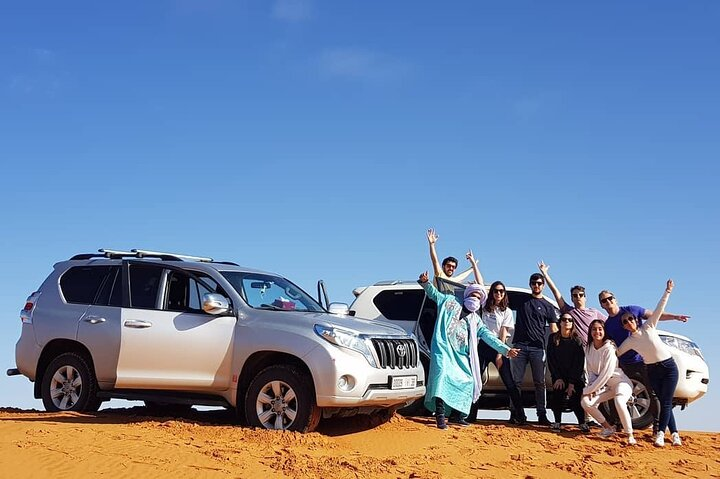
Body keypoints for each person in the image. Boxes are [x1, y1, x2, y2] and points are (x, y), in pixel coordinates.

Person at [418, 268, 520, 429]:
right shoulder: (449, 301)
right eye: (473, 295)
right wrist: (425, 283)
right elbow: (434, 295)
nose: (475, 298)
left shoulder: (475, 319)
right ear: (467, 295)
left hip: (460, 354)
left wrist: (505, 349)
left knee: (468, 380)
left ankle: (457, 415)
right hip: (443, 348)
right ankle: (440, 415)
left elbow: (489, 337)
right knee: (442, 376)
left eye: (479, 297)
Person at [599, 289, 689, 433]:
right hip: (624, 364)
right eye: (604, 301)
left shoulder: (632, 310)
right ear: (601, 305)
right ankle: (617, 424)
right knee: (615, 390)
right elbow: (612, 346)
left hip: (643, 362)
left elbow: (655, 315)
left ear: (615, 299)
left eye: (610, 298)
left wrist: (675, 317)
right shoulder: (608, 324)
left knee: (652, 394)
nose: (608, 302)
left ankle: (658, 427)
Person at [617, 279, 684, 447]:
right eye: (625, 321)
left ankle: (660, 435)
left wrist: (668, 291)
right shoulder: (629, 341)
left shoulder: (649, 326)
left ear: (636, 319)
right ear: (624, 326)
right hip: (652, 371)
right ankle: (675, 434)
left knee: (667, 402)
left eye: (630, 319)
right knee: (664, 401)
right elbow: (616, 353)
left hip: (669, 367)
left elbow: (659, 309)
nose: (629, 322)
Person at [470, 279, 527, 425]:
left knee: (509, 382)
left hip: (498, 346)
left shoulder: (506, 311)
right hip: (483, 345)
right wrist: (474, 266)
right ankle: (471, 414)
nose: (498, 293)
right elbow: (481, 285)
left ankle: (520, 415)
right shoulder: (484, 307)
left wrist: (500, 352)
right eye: (496, 291)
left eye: (501, 291)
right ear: (492, 293)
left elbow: (503, 332)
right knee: (476, 380)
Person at [511, 272, 559, 426]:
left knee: (540, 382)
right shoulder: (521, 299)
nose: (536, 285)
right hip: (519, 346)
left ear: (543, 285)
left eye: (539, 283)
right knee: (515, 382)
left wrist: (559, 345)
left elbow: (554, 329)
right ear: (530, 284)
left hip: (538, 348)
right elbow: (498, 298)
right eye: (533, 283)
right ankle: (515, 413)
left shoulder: (548, 306)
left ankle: (542, 414)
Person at [581, 319, 636, 445]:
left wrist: (589, 390)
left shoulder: (609, 348)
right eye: (594, 329)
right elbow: (591, 372)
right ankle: (608, 428)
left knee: (619, 401)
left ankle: (630, 435)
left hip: (621, 383)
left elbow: (606, 374)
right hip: (607, 387)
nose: (597, 332)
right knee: (586, 402)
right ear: (590, 332)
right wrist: (591, 388)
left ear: (604, 331)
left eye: (600, 329)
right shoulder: (588, 348)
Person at [538, 262, 606, 346]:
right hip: (577, 349)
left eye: (581, 295)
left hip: (593, 349)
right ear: (572, 299)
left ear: (585, 298)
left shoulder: (594, 312)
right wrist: (545, 274)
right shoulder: (569, 312)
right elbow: (556, 292)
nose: (578, 297)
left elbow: (609, 323)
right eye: (575, 295)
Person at [546, 313, 586, 432]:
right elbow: (551, 359)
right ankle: (557, 422)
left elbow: (579, 363)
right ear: (560, 322)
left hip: (575, 376)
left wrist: (572, 383)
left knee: (576, 400)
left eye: (570, 320)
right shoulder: (553, 338)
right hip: (559, 376)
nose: (566, 322)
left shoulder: (577, 340)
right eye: (564, 319)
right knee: (557, 397)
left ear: (573, 323)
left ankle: (582, 423)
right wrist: (557, 377)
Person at [426, 228, 477, 293]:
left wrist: (473, 267)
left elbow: (461, 276)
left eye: (453, 267)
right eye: (449, 265)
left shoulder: (452, 281)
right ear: (443, 266)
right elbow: (434, 260)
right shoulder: (440, 275)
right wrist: (432, 245)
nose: (451, 268)